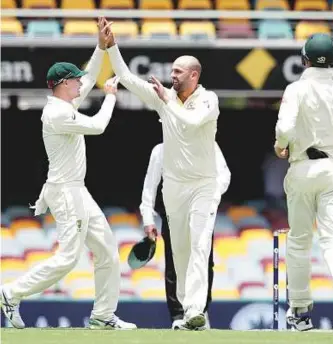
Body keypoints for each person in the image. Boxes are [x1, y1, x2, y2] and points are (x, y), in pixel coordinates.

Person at [0, 18, 136, 331]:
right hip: (65, 191)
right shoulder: (57, 112)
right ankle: (10, 293)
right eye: (74, 80)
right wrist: (112, 95)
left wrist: (101, 47)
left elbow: (88, 77)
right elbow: (99, 127)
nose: (80, 83)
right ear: (63, 84)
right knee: (68, 258)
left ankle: (103, 317)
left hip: (77, 190)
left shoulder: (66, 101)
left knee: (107, 251)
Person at [101, 18, 223, 330]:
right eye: (171, 73)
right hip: (174, 188)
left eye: (178, 73)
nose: (172, 77)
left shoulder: (208, 100)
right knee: (180, 252)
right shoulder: (164, 96)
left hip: (203, 185)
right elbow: (126, 76)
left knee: (200, 244)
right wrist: (111, 45)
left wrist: (167, 100)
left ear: (193, 75)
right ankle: (185, 314)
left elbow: (192, 123)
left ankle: (196, 309)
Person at [274, 33, 333, 333]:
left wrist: (280, 145)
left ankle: (300, 313)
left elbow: (284, 127)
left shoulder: (296, 89)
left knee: (299, 241)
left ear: (303, 59)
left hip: (303, 168)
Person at [139, 142, 231, 330]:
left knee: (203, 258)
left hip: (202, 208)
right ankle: (179, 315)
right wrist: (147, 218)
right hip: (173, 212)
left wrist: (210, 198)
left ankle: (200, 311)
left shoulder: (207, 145)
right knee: (174, 261)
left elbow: (224, 175)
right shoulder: (161, 150)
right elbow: (150, 186)